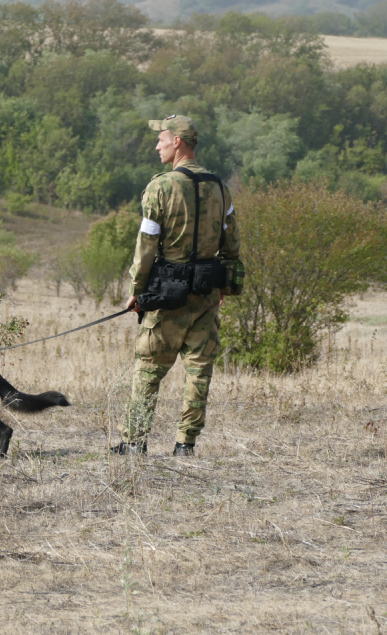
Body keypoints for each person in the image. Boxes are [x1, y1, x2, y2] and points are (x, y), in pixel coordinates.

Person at [112, 115, 241, 457]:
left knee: (149, 368)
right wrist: (224, 287)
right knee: (199, 371)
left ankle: (134, 442)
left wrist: (137, 289)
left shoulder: (161, 187)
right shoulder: (220, 187)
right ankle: (186, 444)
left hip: (168, 293)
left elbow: (146, 244)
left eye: (162, 139)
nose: (157, 145)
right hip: (207, 292)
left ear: (178, 143)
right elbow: (232, 245)